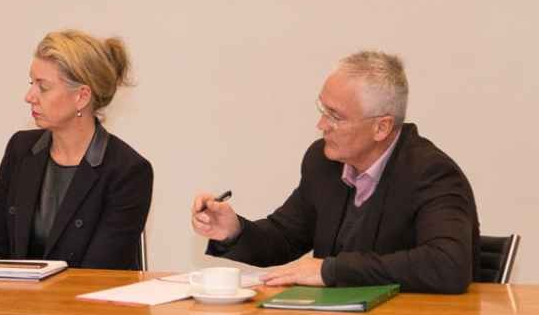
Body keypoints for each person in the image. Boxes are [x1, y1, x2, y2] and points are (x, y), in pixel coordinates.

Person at [192, 51, 480, 294]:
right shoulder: (323, 162)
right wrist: (233, 231)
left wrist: (330, 270)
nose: (321, 125)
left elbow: (448, 265)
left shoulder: (431, 173)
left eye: (335, 116)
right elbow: (284, 238)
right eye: (322, 109)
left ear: (381, 127)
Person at [0, 30, 153, 270]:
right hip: (18, 293)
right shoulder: (21, 149)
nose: (29, 96)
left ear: (81, 97)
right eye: (32, 83)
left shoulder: (128, 171)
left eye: (43, 87)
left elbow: (98, 272)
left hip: (87, 294)